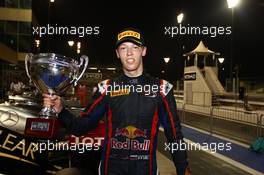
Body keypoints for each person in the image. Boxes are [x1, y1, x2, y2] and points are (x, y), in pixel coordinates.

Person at [43, 27, 191, 175]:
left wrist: (183, 169)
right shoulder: (107, 88)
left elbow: (175, 137)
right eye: (123, 48)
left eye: (135, 47)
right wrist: (61, 111)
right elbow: (80, 127)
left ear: (143, 51)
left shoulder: (162, 89)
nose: (129, 53)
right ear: (117, 53)